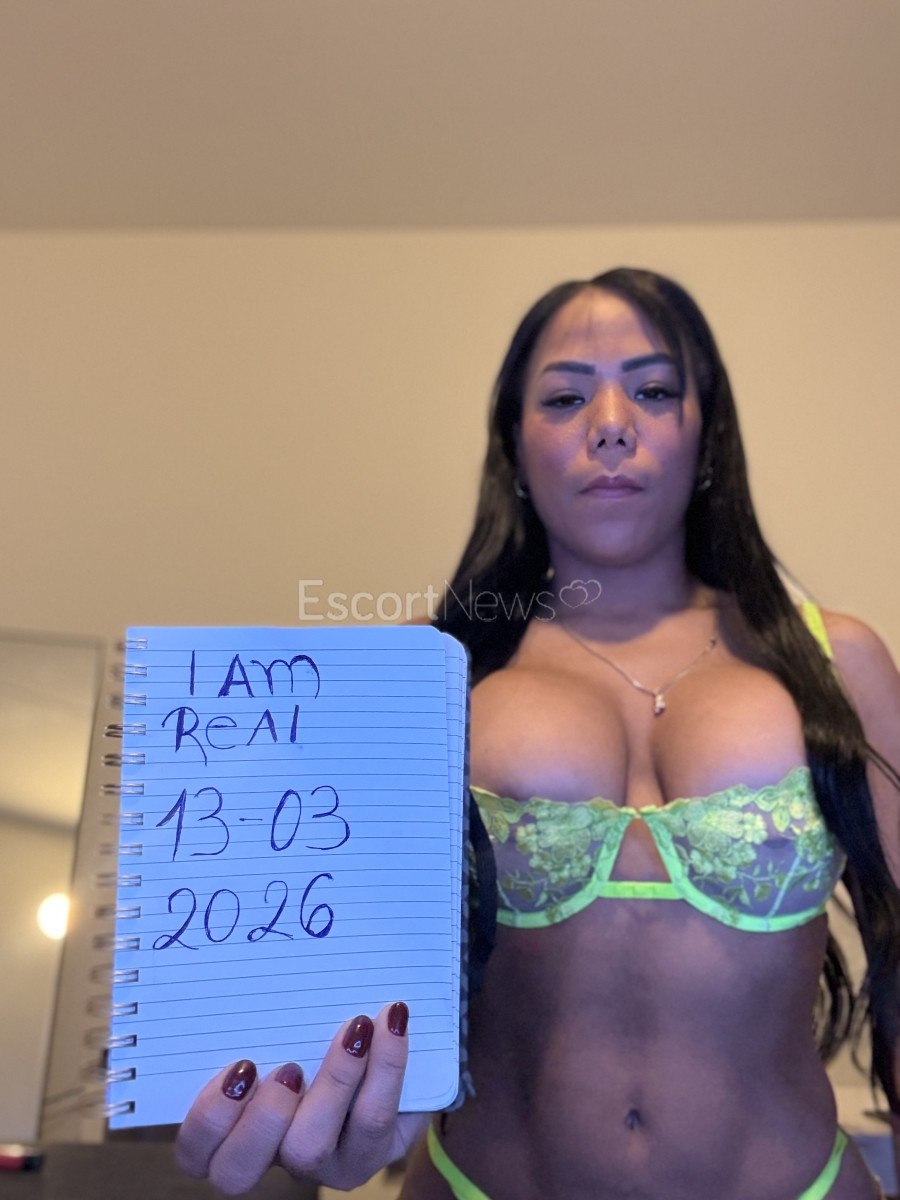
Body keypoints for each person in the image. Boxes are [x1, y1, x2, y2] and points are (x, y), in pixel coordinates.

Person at [175, 268, 900, 1199]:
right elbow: (337, 1008)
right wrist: (325, 1124)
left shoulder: (837, 662)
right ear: (514, 448)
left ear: (705, 436)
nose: (611, 422)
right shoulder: (421, 680)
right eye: (564, 397)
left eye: (653, 389)